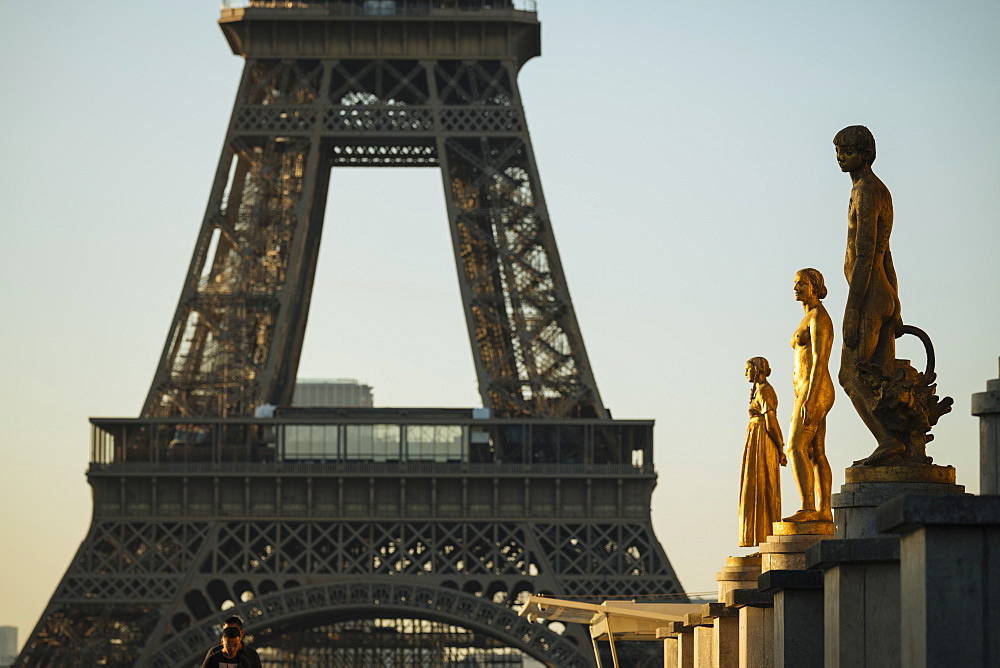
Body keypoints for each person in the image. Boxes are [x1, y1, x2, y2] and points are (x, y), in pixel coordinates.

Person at [834, 125, 906, 465]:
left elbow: (867, 254)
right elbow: (887, 252)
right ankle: (896, 446)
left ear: (865, 154)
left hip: (869, 297)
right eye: (838, 150)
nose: (840, 157)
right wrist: (897, 301)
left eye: (847, 150)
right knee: (879, 379)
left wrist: (852, 309)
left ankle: (888, 441)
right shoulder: (880, 190)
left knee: (850, 375)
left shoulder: (866, 190)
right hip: (882, 294)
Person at [783, 269, 835, 522]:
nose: (796, 288)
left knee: (794, 447)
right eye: (795, 283)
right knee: (816, 451)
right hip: (807, 389)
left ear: (814, 287)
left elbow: (820, 360)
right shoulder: (808, 318)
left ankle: (807, 507)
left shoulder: (818, 317)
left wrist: (811, 398)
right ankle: (824, 511)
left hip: (814, 389)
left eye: (801, 283)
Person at [739, 357, 786, 547]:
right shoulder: (759, 390)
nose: (745, 373)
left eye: (747, 369)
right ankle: (760, 539)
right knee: (755, 486)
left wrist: (780, 446)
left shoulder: (766, 391)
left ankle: (766, 537)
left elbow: (771, 423)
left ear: (757, 370)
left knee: (763, 485)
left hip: (762, 440)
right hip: (756, 439)